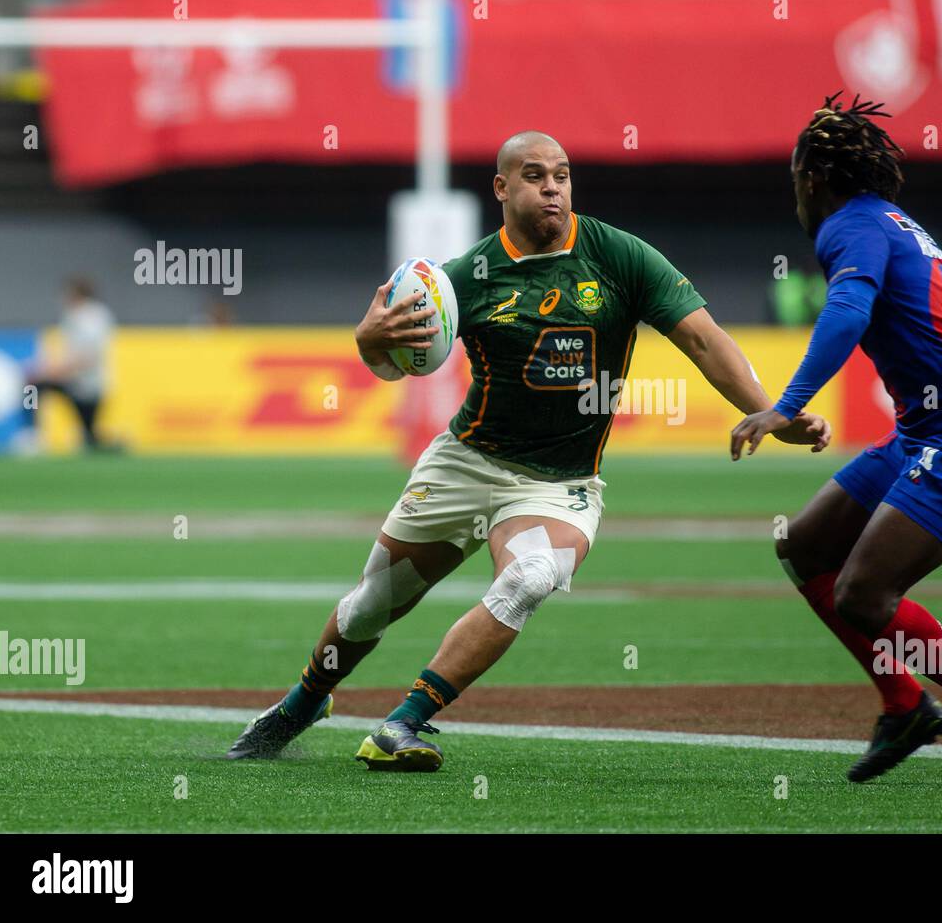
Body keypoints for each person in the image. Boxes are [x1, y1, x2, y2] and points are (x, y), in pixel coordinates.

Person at [227, 130, 831, 770]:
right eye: (536, 175)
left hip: (558, 485)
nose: (553, 188)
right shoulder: (466, 278)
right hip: (467, 460)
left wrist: (776, 413)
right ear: (502, 187)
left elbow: (705, 341)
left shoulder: (620, 256)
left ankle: (404, 724)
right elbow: (396, 366)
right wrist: (368, 341)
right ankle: (305, 700)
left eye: (562, 176)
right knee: (372, 603)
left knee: (531, 578)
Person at [730, 93, 942, 786]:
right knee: (803, 546)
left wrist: (786, 406)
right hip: (925, 432)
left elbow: (848, 310)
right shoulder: (893, 221)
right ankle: (904, 703)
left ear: (812, 179)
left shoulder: (847, 226)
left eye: (796, 180)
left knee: (864, 595)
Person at [28, 277, 115, 451]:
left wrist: (51, 371)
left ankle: (103, 442)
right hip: (76, 383)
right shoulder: (75, 316)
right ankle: (32, 432)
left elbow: (87, 358)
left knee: (90, 439)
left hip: (88, 387)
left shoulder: (90, 317)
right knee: (33, 388)